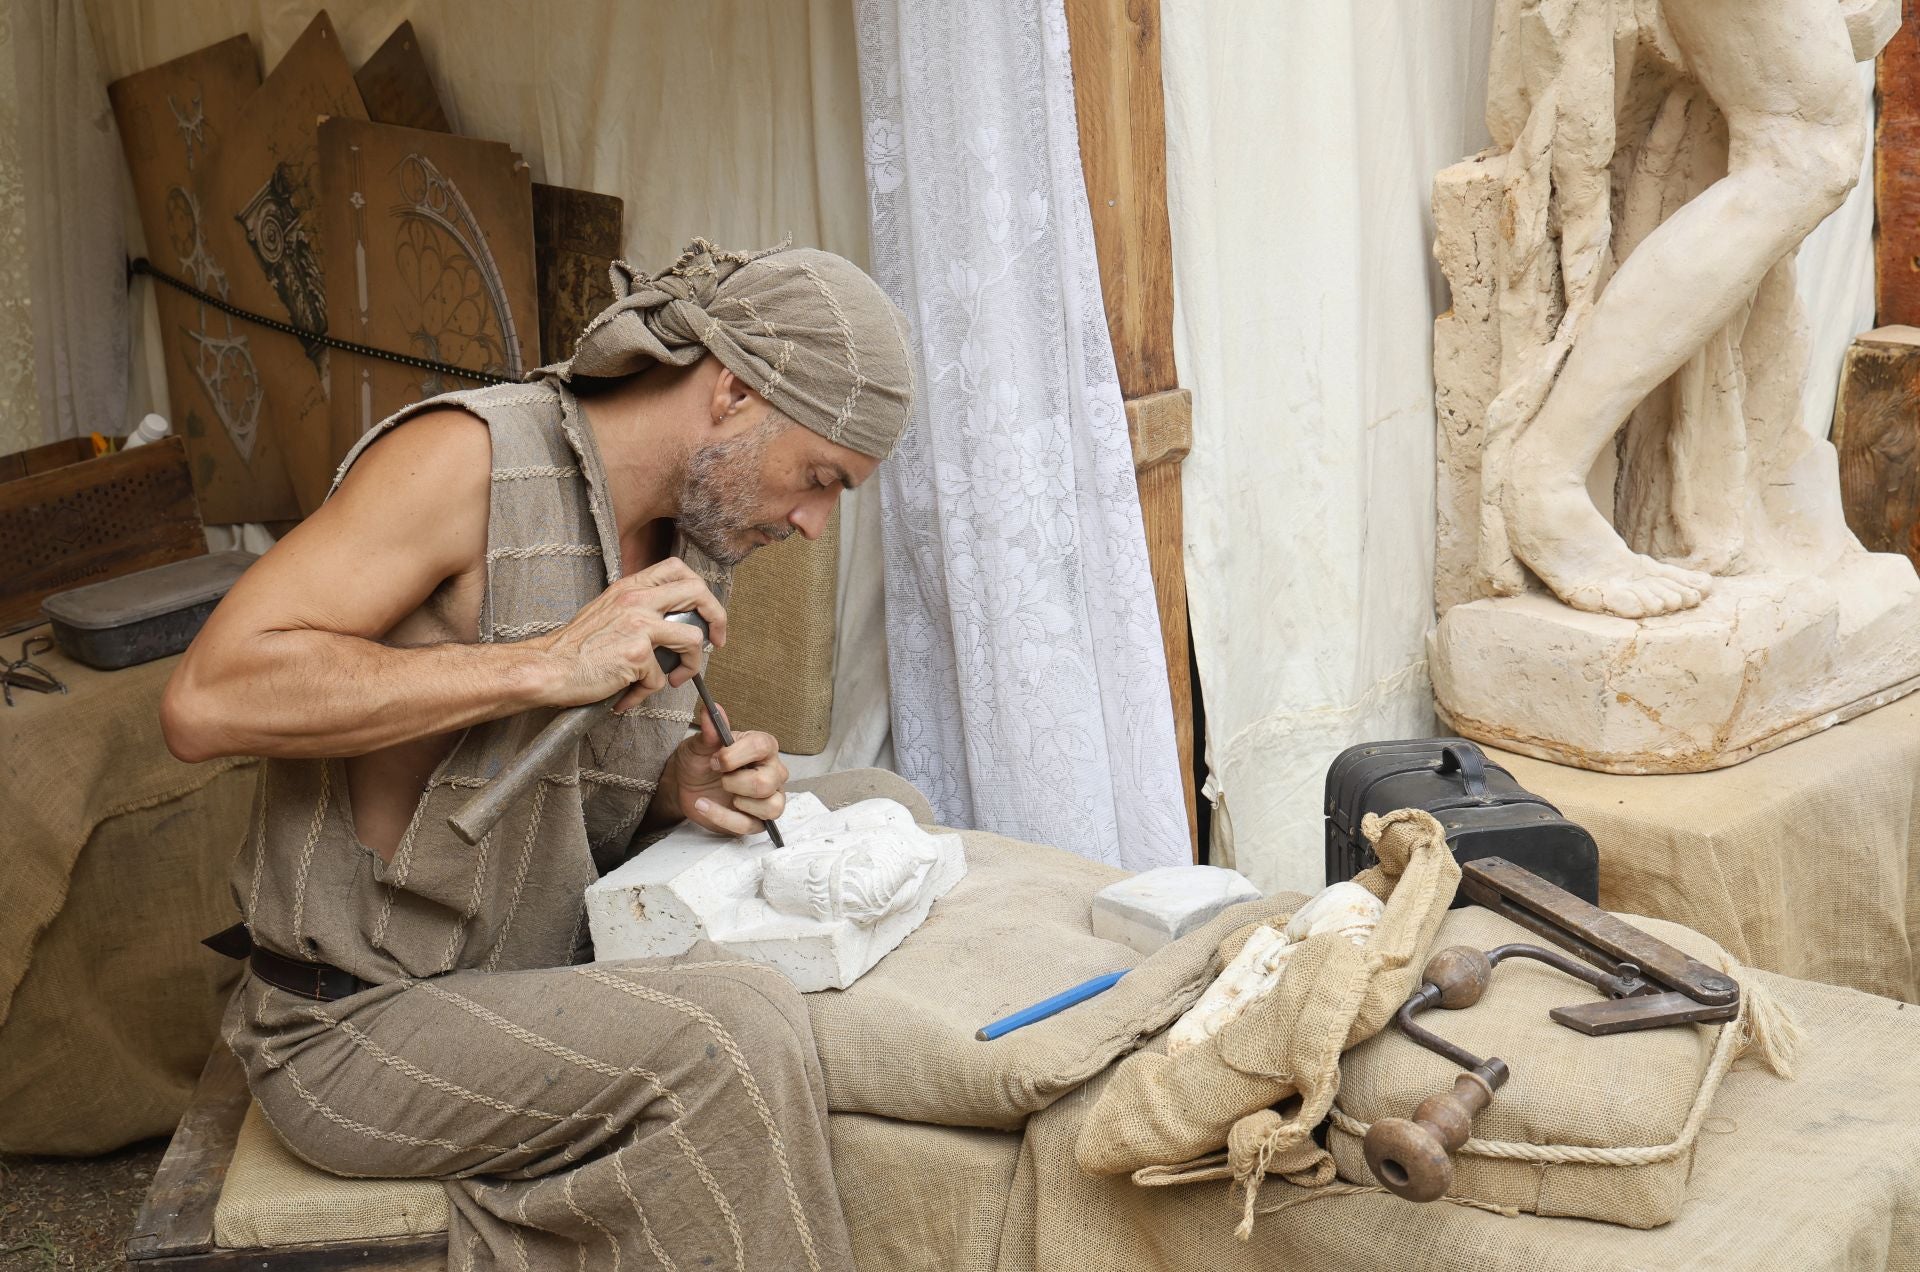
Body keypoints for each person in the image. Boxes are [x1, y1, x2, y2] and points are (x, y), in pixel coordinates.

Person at [160, 239, 914, 1269]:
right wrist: (545, 663)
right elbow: (206, 698)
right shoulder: (467, 462)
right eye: (821, 478)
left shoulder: (692, 540)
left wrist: (677, 794)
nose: (817, 525)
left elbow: (547, 798)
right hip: (356, 1026)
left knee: (874, 797)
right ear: (734, 391)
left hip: (528, 974)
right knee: (730, 1035)